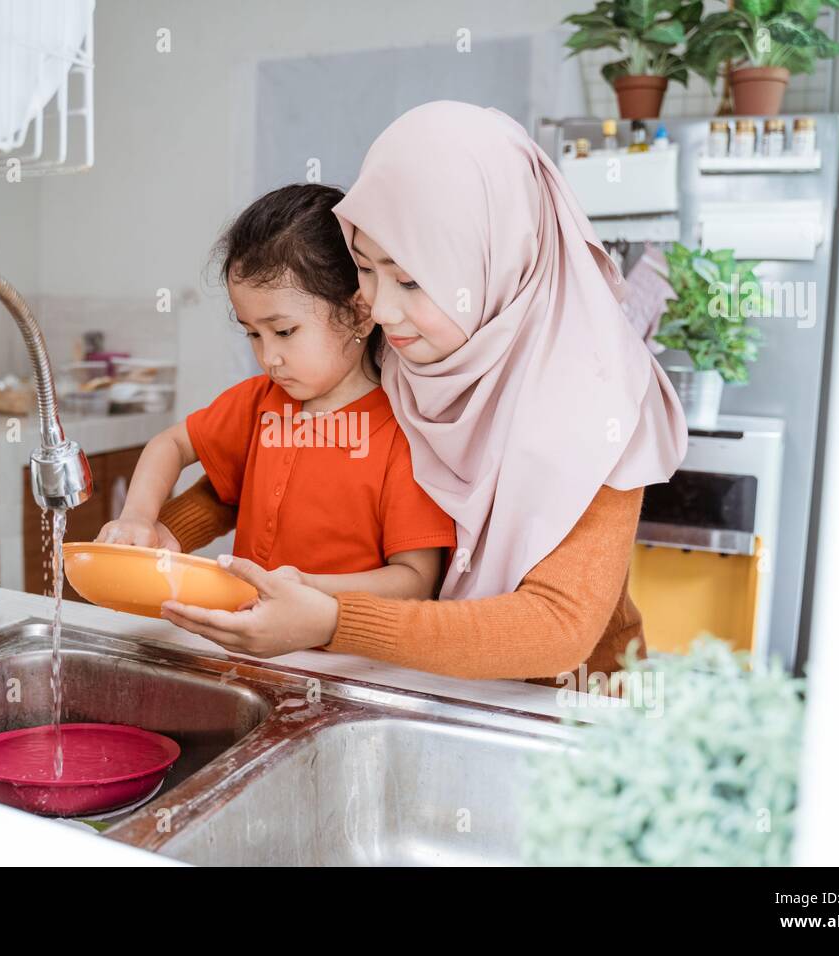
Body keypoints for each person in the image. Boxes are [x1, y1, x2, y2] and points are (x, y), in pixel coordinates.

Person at [156, 102, 687, 684]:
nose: (380, 309)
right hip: (429, 682)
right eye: (365, 267)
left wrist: (333, 621)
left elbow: (557, 627)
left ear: (495, 260)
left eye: (411, 279)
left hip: (566, 713)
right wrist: (166, 535)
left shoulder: (598, 400)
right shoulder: (408, 349)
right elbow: (269, 464)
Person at [97, 183, 455, 602]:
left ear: (359, 314)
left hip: (351, 664)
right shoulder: (259, 401)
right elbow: (171, 444)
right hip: (252, 645)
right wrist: (139, 516)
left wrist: (303, 591)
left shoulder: (404, 435)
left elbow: (415, 580)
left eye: (285, 331)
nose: (270, 357)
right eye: (253, 334)